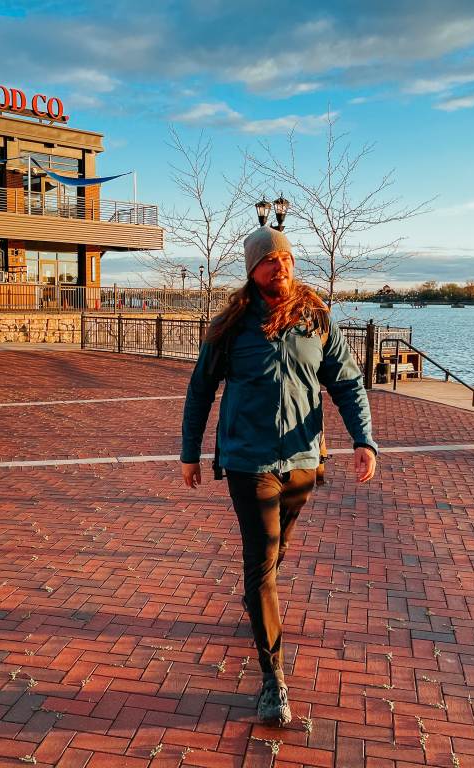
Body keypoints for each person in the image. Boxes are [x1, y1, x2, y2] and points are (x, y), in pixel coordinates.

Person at [181, 225, 378, 726]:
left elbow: (348, 383)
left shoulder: (316, 321)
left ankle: (256, 591)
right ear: (252, 270)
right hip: (250, 463)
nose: (281, 267)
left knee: (276, 552)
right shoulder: (231, 326)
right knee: (263, 558)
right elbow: (200, 390)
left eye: (286, 259)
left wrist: (363, 440)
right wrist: (190, 452)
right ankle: (273, 679)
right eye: (270, 261)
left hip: (304, 464)